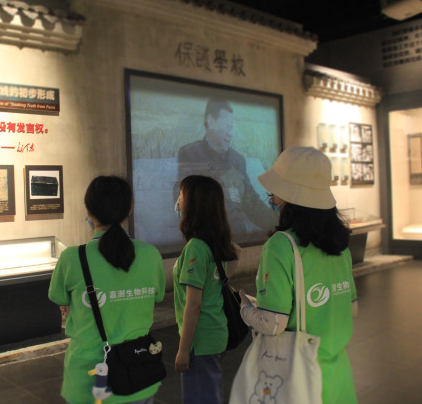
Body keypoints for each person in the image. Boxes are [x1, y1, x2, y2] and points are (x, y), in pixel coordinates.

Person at [239, 146, 358, 404]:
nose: (273, 199)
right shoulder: (340, 246)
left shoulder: (281, 246)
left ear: (287, 196)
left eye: (275, 192)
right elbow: (352, 308)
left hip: (300, 379)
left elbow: (273, 324)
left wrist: (246, 309)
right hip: (338, 376)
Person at [48, 176, 166, 404]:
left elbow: (59, 297)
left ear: (88, 211)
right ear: (129, 209)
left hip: (89, 378)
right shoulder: (150, 254)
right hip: (138, 372)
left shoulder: (72, 258)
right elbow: (158, 295)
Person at [173, 175, 239, 404]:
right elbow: (237, 252)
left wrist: (183, 350)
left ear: (193, 204)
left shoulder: (196, 247)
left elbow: (194, 304)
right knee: (210, 393)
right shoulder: (215, 242)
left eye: (181, 196)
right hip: (215, 332)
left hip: (200, 340)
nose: (178, 201)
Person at [176, 98, 278, 244]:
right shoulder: (190, 153)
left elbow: (252, 203)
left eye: (232, 127)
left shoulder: (238, 160)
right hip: (205, 240)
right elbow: (182, 199)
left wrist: (280, 225)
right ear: (211, 121)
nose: (230, 133)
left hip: (239, 238)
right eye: (226, 126)